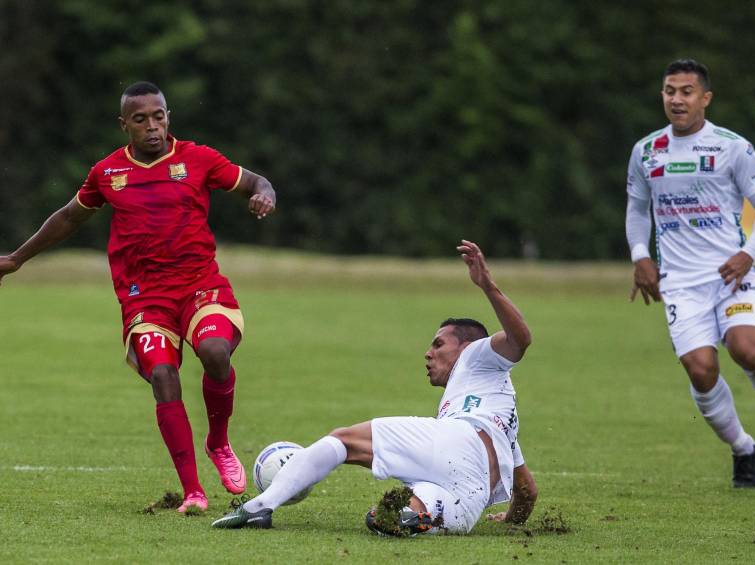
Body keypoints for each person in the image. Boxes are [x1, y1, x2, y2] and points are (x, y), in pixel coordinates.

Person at [0, 81, 276, 512]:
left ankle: (219, 443)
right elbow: (69, 217)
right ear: (124, 124)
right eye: (141, 119)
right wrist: (17, 259)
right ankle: (193, 492)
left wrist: (264, 194)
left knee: (216, 351)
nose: (152, 126)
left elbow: (257, 180)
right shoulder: (108, 173)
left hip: (201, 287)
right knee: (164, 377)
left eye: (159, 116)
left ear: (169, 117)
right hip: (145, 299)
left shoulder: (199, 159)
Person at [211, 240, 537, 534]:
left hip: (457, 442)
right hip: (472, 497)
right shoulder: (498, 411)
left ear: (467, 347)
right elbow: (527, 492)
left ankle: (260, 506)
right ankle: (414, 516)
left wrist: (488, 286)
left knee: (343, 440)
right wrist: (511, 520)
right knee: (401, 511)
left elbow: (520, 339)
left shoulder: (477, 356)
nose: (428, 353)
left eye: (438, 344)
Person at [626, 59, 755, 487]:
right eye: (670, 90)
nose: (677, 99)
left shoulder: (733, 147)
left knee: (748, 351)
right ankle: (742, 448)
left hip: (731, 273)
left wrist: (748, 254)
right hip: (680, 281)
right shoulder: (646, 151)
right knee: (701, 369)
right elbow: (637, 210)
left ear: (705, 98)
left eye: (686, 91)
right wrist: (641, 255)